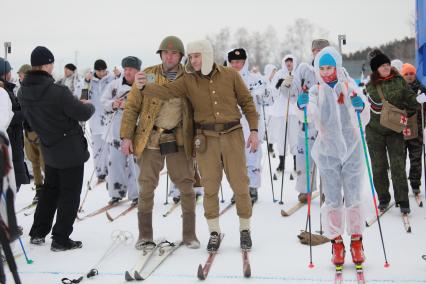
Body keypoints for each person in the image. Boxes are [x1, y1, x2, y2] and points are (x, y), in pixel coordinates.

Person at [129, 39, 259, 251]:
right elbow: (166, 91)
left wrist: (253, 130)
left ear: (207, 55)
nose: (193, 60)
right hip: (206, 138)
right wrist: (143, 87)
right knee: (209, 187)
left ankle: (245, 230)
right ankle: (214, 232)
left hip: (233, 135)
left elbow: (247, 103)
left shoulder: (230, 75)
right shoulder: (188, 80)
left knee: (240, 185)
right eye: (190, 56)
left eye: (196, 55)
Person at [121, 36, 200, 249]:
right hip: (150, 138)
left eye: (174, 53)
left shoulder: (190, 78)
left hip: (179, 138)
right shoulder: (147, 75)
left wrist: (198, 139)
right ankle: (144, 235)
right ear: (161, 55)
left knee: (186, 185)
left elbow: (198, 110)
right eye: (165, 53)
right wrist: (126, 136)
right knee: (146, 187)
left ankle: (190, 235)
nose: (169, 56)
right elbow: (131, 108)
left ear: (181, 56)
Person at [297, 46, 370, 266]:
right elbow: (309, 115)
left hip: (352, 148)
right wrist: (303, 107)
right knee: (332, 197)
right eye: (323, 68)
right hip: (328, 151)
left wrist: (361, 106)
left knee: (354, 195)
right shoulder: (316, 91)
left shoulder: (349, 87)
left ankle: (357, 241)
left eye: (330, 67)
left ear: (337, 67)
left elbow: (364, 115)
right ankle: (336, 243)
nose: (327, 72)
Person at [18, 46, 95, 251]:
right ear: (46, 65)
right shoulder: (56, 91)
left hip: (49, 147)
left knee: (50, 191)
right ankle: (61, 238)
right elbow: (82, 113)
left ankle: (38, 232)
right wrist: (89, 105)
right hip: (69, 150)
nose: (53, 67)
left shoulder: (23, 91)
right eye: (51, 63)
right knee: (70, 194)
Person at [365, 49, 419, 214]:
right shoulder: (370, 86)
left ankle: (403, 200)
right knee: (379, 166)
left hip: (394, 130)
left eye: (388, 64)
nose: (386, 67)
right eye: (382, 65)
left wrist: (415, 103)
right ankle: (383, 198)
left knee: (398, 165)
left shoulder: (399, 81)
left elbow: (410, 100)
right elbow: (369, 107)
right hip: (374, 131)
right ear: (376, 69)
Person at [227, 48, 267, 204]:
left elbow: (269, 100)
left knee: (252, 158)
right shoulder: (225, 80)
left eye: (240, 62)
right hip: (232, 125)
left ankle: (252, 188)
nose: (237, 65)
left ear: (245, 62)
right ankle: (238, 190)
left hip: (251, 126)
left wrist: (262, 93)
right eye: (234, 62)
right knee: (235, 160)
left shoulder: (256, 79)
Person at [101, 56, 141, 205]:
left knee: (135, 163)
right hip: (117, 128)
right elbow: (103, 101)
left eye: (131, 69)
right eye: (126, 69)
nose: (127, 72)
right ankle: (116, 193)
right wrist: (114, 104)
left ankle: (136, 194)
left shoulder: (143, 84)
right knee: (115, 162)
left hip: (136, 127)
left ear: (137, 70)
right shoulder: (114, 85)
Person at [85, 59, 117, 184]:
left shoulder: (112, 79)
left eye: (104, 70)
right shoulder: (88, 80)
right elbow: (81, 96)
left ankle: (112, 172)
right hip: (95, 120)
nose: (102, 73)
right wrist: (86, 81)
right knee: (97, 149)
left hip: (109, 119)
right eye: (99, 71)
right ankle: (100, 173)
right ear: (95, 70)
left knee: (110, 148)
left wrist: (119, 75)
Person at [0, 57, 30, 191]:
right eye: (9, 72)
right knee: (10, 187)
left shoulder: (7, 89)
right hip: (9, 141)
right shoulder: (3, 92)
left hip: (14, 141)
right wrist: (25, 113)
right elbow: (6, 118)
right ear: (4, 73)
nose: (11, 75)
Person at [18, 64, 45, 202]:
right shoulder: (21, 90)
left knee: (43, 162)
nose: (19, 77)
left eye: (21, 74)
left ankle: (52, 187)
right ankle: (39, 187)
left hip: (39, 130)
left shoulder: (36, 88)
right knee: (33, 160)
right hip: (27, 130)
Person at [270, 55, 299, 178]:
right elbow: (273, 90)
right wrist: (279, 84)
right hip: (282, 111)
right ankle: (281, 163)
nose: (289, 63)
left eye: (291, 61)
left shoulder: (297, 74)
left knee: (294, 137)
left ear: (294, 63)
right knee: (282, 137)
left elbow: (300, 90)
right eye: (286, 61)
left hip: (294, 111)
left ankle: (296, 164)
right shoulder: (279, 74)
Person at [401, 63, 426, 195]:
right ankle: (401, 185)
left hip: (417, 128)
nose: (409, 76)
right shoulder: (398, 88)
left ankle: (415, 183)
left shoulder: (421, 88)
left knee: (416, 156)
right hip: (401, 128)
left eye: (411, 73)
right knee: (400, 158)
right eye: (407, 74)